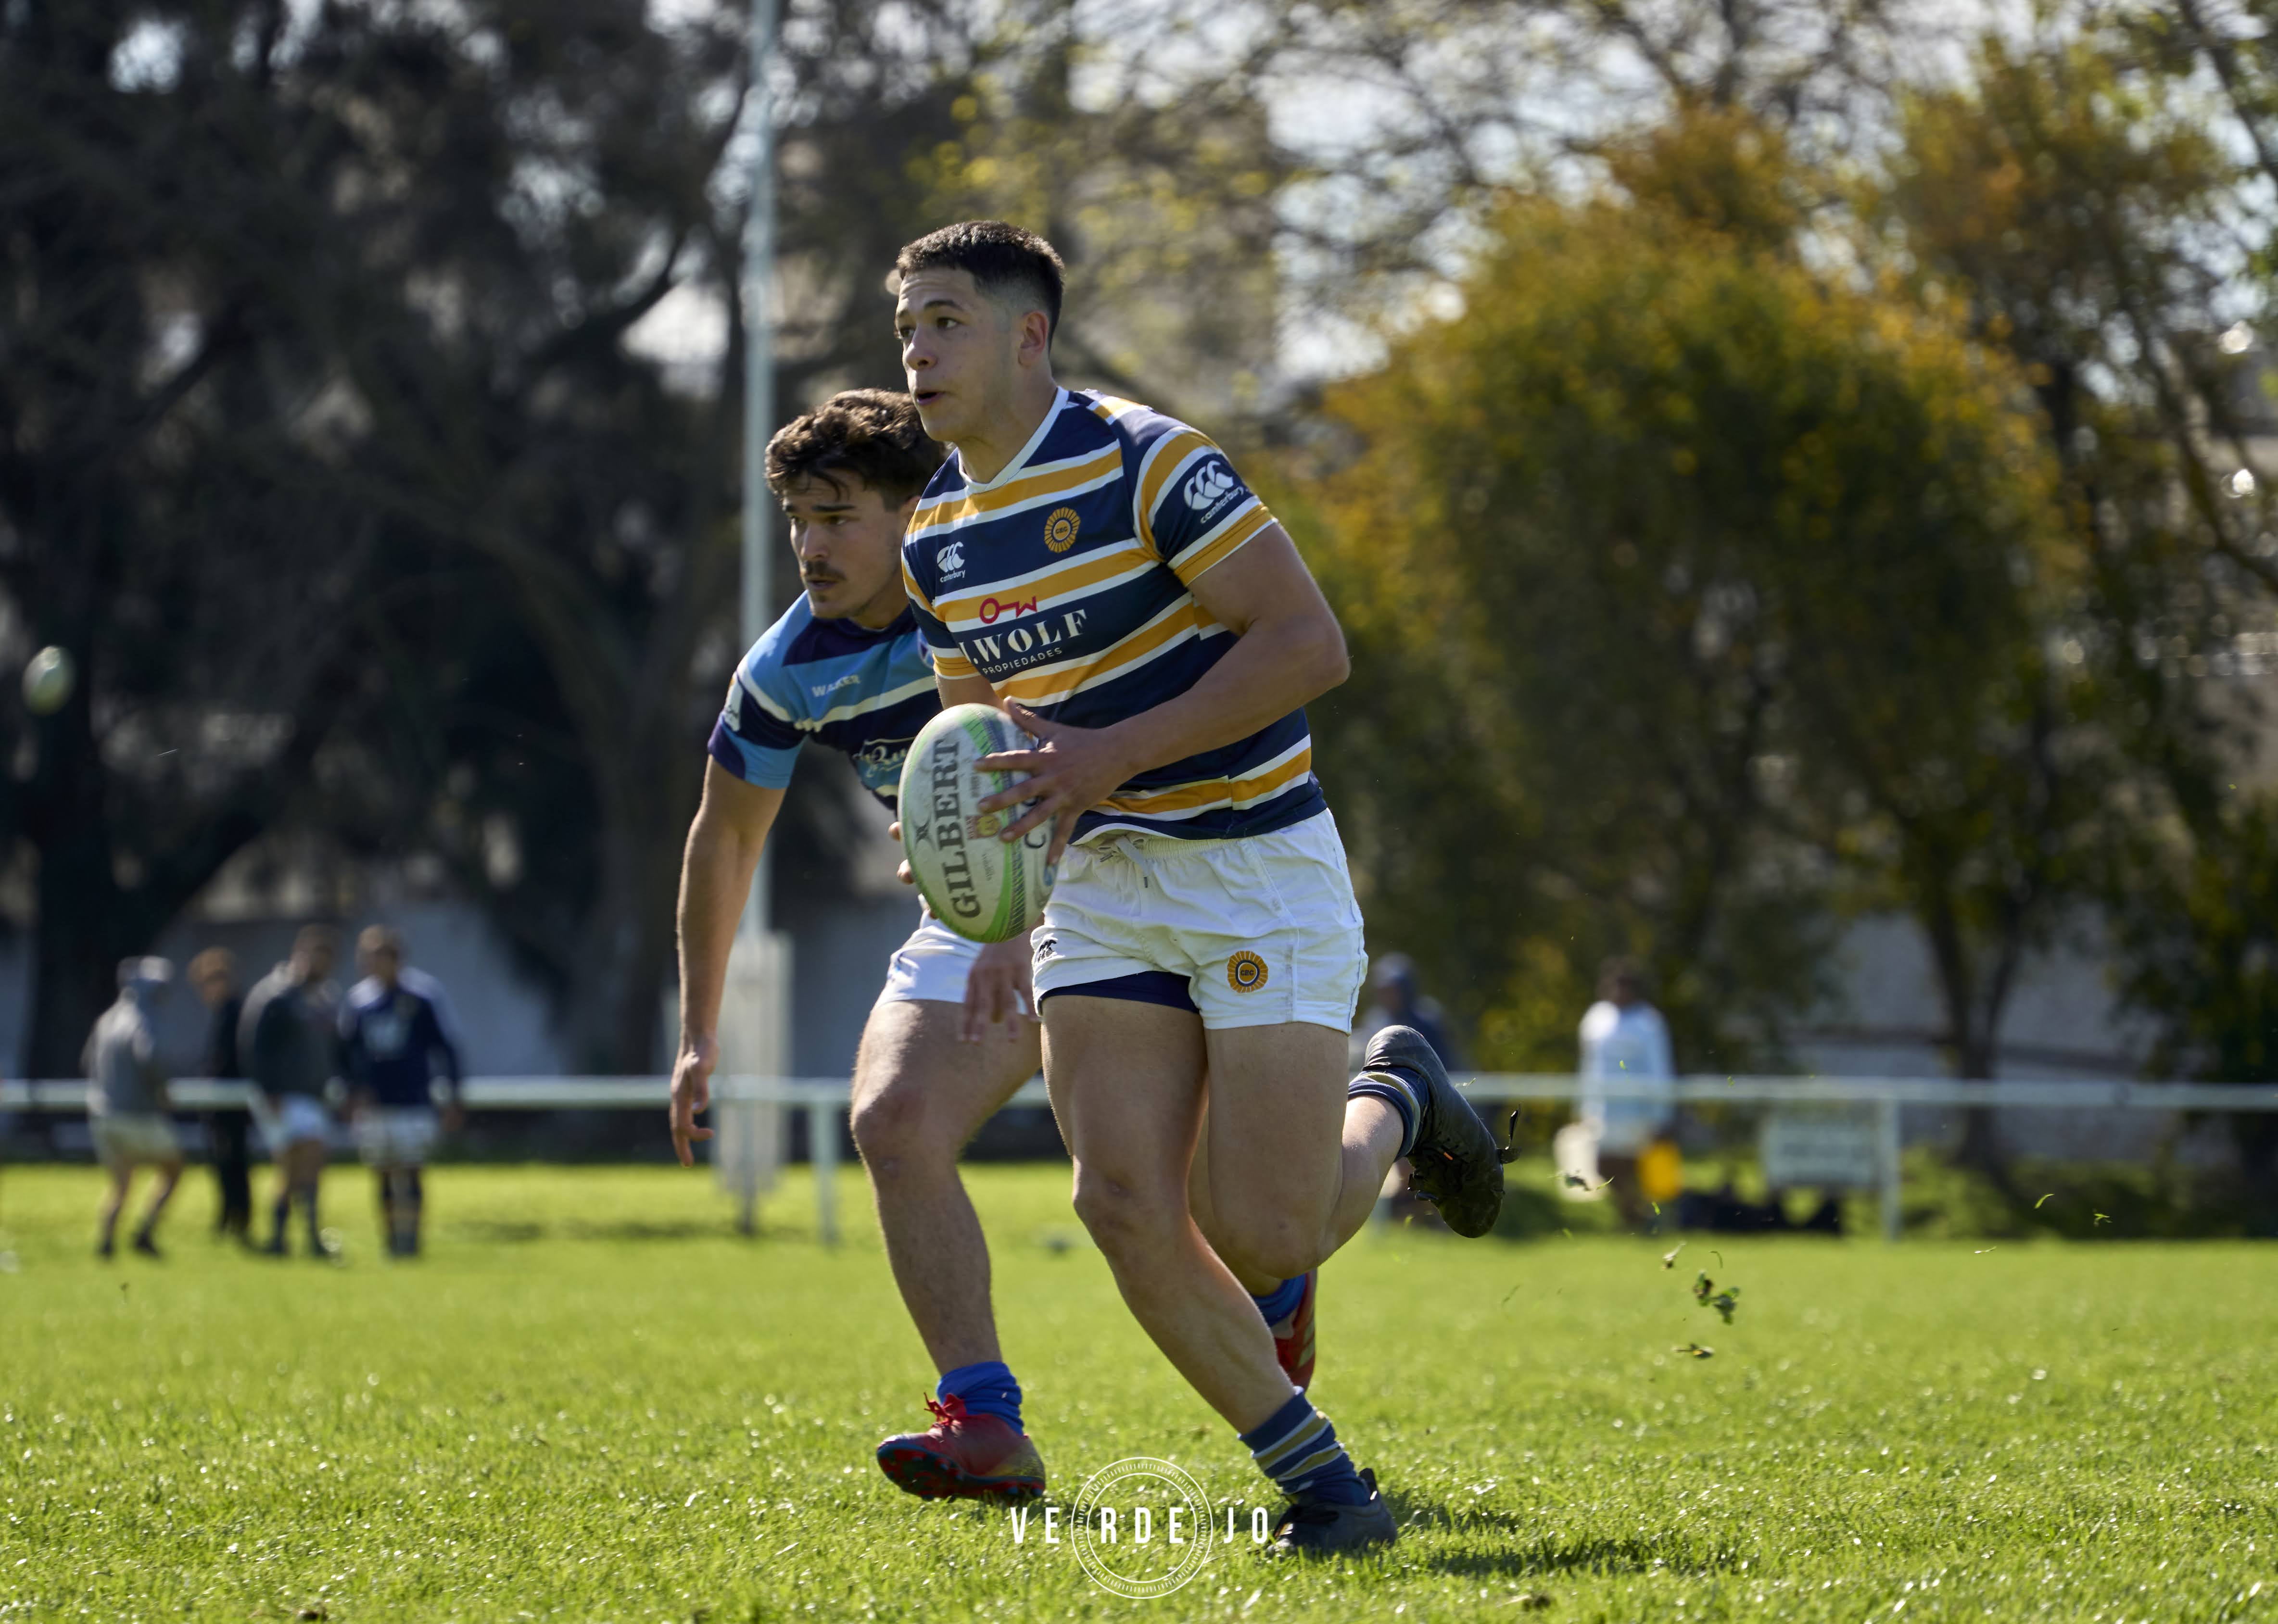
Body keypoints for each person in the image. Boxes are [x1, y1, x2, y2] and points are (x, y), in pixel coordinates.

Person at [893, 220, 1508, 1554]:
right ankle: (1327, 1490)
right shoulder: (935, 539)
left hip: (1251, 861)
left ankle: (1395, 1094)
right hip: (1100, 882)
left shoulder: (1149, 461)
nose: (918, 355)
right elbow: (976, 750)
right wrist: (979, 904)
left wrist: (1106, 754)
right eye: (908, 331)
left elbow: (1308, 643)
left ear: (1027, 336)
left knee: (1265, 1229)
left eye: (945, 323)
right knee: (1119, 1200)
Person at [668, 389, 1051, 1502]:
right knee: (891, 1118)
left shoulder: (1001, 596)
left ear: (913, 511)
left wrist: (1027, 902)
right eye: (798, 518)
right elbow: (725, 835)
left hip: (1123, 883)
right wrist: (699, 1031)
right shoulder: (786, 666)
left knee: (1208, 1202)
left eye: (837, 516)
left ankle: (1385, 1110)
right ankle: (984, 1419)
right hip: (976, 909)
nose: (809, 545)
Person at [340, 927, 464, 1257]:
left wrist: (453, 1096)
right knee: (381, 1172)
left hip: (413, 1100)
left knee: (411, 1169)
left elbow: (446, 1047)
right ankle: (391, 1237)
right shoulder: (359, 1001)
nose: (372, 963)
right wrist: (352, 1093)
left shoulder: (422, 996)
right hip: (375, 1103)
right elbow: (347, 1053)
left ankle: (413, 1238)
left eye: (379, 956)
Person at [239, 925, 342, 1258]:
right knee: (302, 1161)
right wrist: (269, 1090)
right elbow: (254, 1045)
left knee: (298, 1169)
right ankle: (302, 1236)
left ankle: (286, 1238)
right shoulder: (275, 995)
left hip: (313, 1096)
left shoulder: (323, 999)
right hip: (283, 1096)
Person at [84, 957, 185, 1258]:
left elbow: (87, 1062)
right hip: (137, 1114)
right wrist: (162, 1090)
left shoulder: (106, 1020)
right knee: (174, 1168)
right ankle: (146, 1230)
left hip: (102, 1114)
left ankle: (106, 1241)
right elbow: (149, 1057)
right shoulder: (143, 1019)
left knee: (121, 1184)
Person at [1576, 956, 1676, 1227]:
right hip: (1603, 1112)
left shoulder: (1649, 1022)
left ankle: (1645, 1220)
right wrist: (1583, 1107)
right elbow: (1587, 1066)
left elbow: (1659, 1069)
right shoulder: (1595, 1019)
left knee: (1636, 1168)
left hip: (1637, 1112)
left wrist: (1661, 1114)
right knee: (1604, 1167)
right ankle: (1634, 1216)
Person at [188, 948, 253, 1243]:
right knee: (223, 1164)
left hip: (231, 1104)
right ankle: (228, 1218)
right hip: (220, 1104)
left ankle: (239, 1218)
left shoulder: (235, 1013)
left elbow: (228, 1060)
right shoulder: (223, 1014)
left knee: (233, 1162)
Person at [1351, 954, 1459, 1071]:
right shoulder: (1374, 1021)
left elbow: (1446, 1066)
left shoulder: (1428, 1019)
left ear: (1407, 989)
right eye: (1384, 992)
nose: (1388, 997)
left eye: (1393, 991)